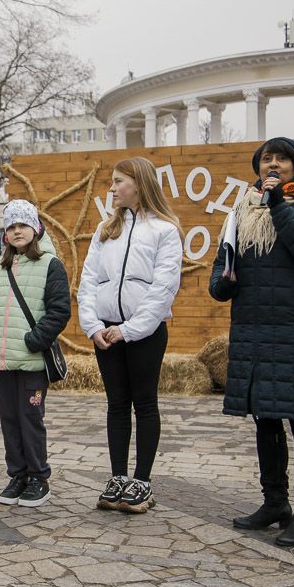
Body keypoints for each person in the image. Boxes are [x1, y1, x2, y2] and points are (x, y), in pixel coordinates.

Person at [210, 137, 294, 548]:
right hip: (254, 326)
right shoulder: (243, 208)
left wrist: (279, 203)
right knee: (265, 417)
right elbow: (225, 259)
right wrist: (220, 282)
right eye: (267, 158)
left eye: (282, 158)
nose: (274, 164)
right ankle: (275, 503)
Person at [76, 158, 184, 514]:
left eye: (118, 181)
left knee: (145, 403)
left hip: (144, 334)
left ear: (138, 183)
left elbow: (163, 288)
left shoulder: (165, 230)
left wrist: (130, 329)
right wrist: (93, 326)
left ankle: (142, 480)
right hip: (106, 332)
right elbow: (89, 280)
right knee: (116, 405)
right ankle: (118, 477)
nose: (112, 188)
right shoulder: (106, 230)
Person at [0, 201, 71, 508]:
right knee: (10, 419)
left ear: (35, 228)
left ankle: (38, 477)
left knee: (31, 418)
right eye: (12, 227)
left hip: (32, 360)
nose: (17, 231)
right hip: (5, 360)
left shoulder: (50, 264)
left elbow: (59, 311)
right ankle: (17, 474)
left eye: (23, 225)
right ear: (5, 233)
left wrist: (35, 339)